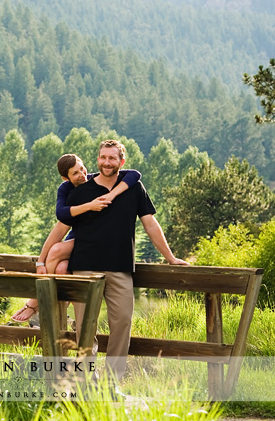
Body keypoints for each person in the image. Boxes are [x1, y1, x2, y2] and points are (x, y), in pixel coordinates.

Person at [62, 140, 188, 383]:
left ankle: (112, 382)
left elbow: (150, 223)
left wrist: (169, 257)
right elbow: (61, 224)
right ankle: (88, 380)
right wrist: (42, 260)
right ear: (97, 159)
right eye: (102, 157)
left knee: (122, 323)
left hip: (120, 267)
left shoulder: (134, 188)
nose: (106, 162)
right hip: (85, 266)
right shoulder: (81, 191)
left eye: (112, 158)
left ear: (121, 161)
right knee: (84, 327)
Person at [10, 153, 141, 322]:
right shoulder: (66, 189)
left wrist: (111, 195)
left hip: (93, 243)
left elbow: (135, 174)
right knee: (61, 269)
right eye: (75, 173)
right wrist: (40, 262)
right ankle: (59, 315)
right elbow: (61, 214)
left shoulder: (94, 180)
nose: (82, 174)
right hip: (77, 237)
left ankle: (35, 303)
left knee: (57, 251)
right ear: (66, 178)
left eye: (82, 168)